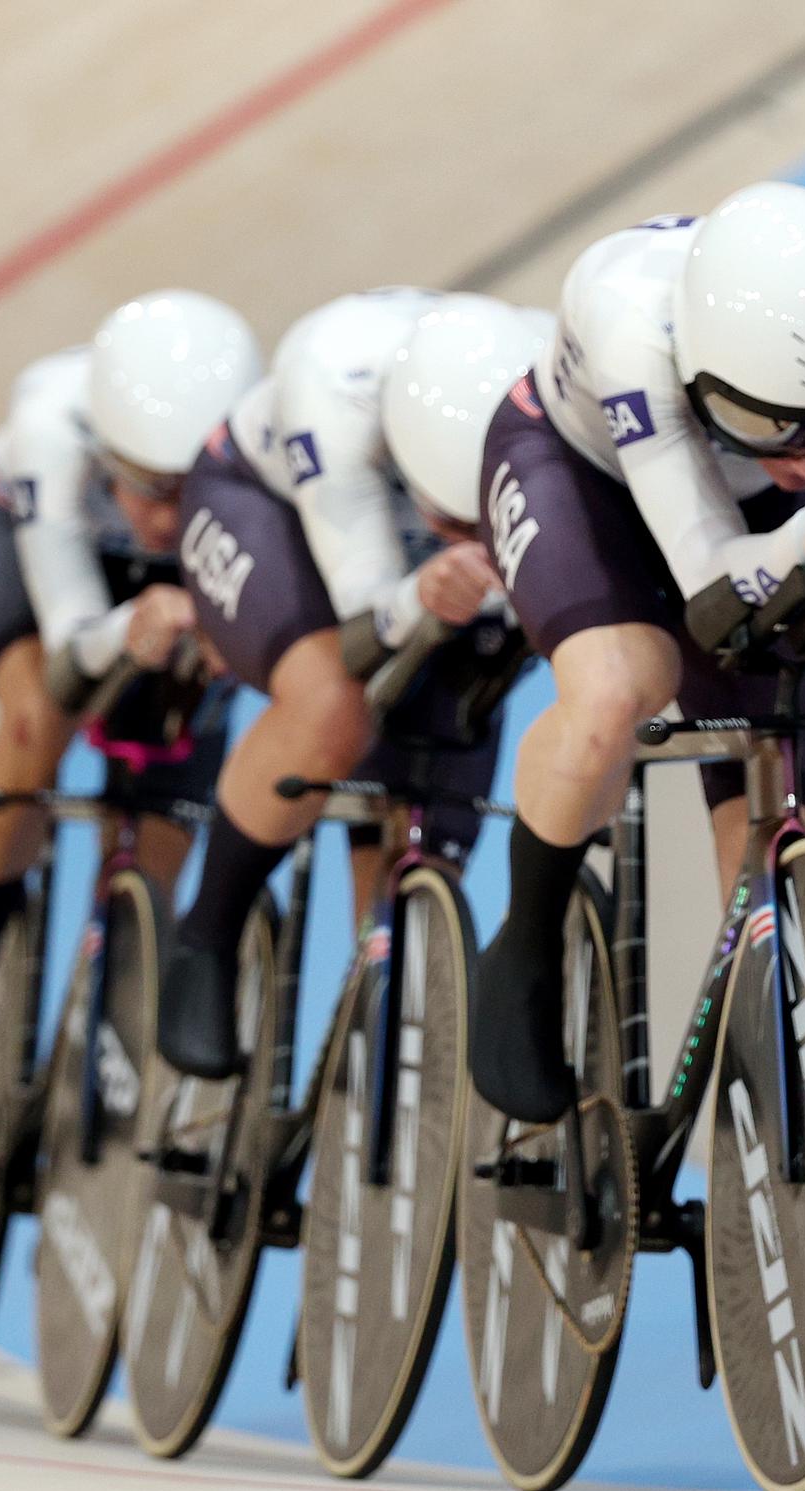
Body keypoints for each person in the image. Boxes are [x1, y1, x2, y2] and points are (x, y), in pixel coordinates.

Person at [467, 182, 805, 1127]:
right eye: (773, 427)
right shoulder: (630, 318)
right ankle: (523, 948)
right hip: (587, 480)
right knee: (620, 686)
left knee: (773, 806)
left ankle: (753, 1070)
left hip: (757, 523)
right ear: (700, 371)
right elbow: (709, 589)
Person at [156, 291, 549, 1079]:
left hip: (422, 538)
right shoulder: (333, 390)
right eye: (446, 512)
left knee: (433, 827)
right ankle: (207, 935)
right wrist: (425, 589)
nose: (459, 532)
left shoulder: (551, 387)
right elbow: (369, 620)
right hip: (268, 509)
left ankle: (377, 1009)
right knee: (334, 699)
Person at [0, 289, 262, 1122]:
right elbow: (71, 647)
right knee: (38, 718)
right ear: (107, 449)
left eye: (190, 492)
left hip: (149, 587)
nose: (168, 520)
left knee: (180, 749)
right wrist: (133, 626)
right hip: (22, 535)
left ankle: (121, 986)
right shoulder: (51, 430)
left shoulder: (253, 444)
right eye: (147, 489)